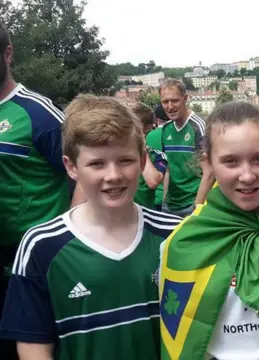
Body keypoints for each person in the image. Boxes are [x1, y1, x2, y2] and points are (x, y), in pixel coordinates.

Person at [0, 95, 182, 359]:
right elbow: (33, 346)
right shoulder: (41, 246)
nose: (113, 175)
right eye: (97, 163)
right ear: (71, 166)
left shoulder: (175, 234)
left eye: (125, 160)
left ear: (142, 161)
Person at [159, 101, 259, 360]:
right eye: (230, 162)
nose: (247, 175)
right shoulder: (184, 243)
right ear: (208, 164)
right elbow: (181, 340)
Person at [0, 22, 75, 359]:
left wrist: (68, 241)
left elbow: (84, 173)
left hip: (34, 262)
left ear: (8, 53)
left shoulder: (38, 113)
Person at [158, 78, 211, 216]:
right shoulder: (166, 129)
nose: (170, 106)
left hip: (191, 205)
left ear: (185, 98)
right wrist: (164, 200)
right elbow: (168, 168)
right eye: (165, 102)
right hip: (170, 206)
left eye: (174, 100)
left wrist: (197, 208)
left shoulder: (198, 127)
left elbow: (209, 172)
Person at [131, 103, 168, 209]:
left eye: (134, 125)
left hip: (146, 214)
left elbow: (152, 182)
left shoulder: (156, 155)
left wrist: (141, 148)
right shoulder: (113, 153)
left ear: (147, 128)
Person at [149, 104, 170, 210]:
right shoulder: (176, 133)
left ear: (156, 119)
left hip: (155, 193)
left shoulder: (150, 136)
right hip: (174, 195)